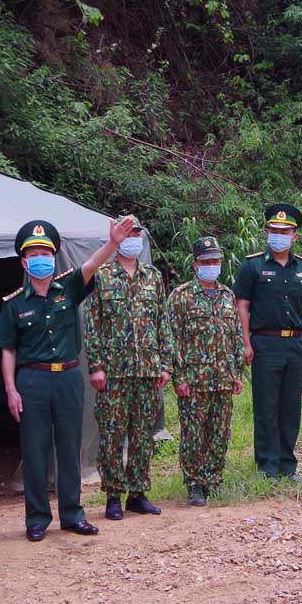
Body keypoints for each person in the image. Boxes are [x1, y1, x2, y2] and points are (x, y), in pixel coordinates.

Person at [0, 215, 138, 541]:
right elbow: (8, 351)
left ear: (54, 257)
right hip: (33, 381)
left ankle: (73, 514)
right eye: (34, 255)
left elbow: (90, 264)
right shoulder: (14, 305)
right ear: (24, 261)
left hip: (70, 378)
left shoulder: (68, 288)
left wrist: (113, 243)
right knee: (34, 450)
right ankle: (37, 519)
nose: (41, 259)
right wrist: (11, 390)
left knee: (69, 448)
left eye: (46, 254)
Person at [85, 217, 172, 520]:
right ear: (119, 237)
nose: (134, 238)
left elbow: (162, 322)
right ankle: (113, 496)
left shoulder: (153, 276)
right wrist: (96, 366)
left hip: (148, 370)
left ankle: (138, 493)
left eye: (138, 234)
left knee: (143, 435)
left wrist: (166, 364)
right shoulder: (103, 276)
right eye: (129, 233)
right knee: (111, 434)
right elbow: (93, 324)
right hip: (113, 372)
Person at [233, 203, 302, 480]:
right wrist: (246, 343)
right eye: (274, 230)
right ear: (267, 233)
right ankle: (267, 467)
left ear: (294, 236)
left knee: (290, 407)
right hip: (265, 344)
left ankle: (287, 465)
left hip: (295, 345)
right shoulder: (253, 265)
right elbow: (242, 306)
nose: (278, 235)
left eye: (284, 231)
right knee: (266, 407)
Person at [167, 236, 243, 506]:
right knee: (193, 435)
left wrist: (237, 373)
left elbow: (235, 336)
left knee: (219, 433)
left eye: (216, 261)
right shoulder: (181, 296)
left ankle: (214, 480)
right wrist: (179, 377)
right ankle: (195, 484)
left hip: (223, 377)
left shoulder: (227, 295)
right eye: (207, 261)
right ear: (196, 264)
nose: (212, 265)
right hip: (194, 380)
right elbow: (172, 338)